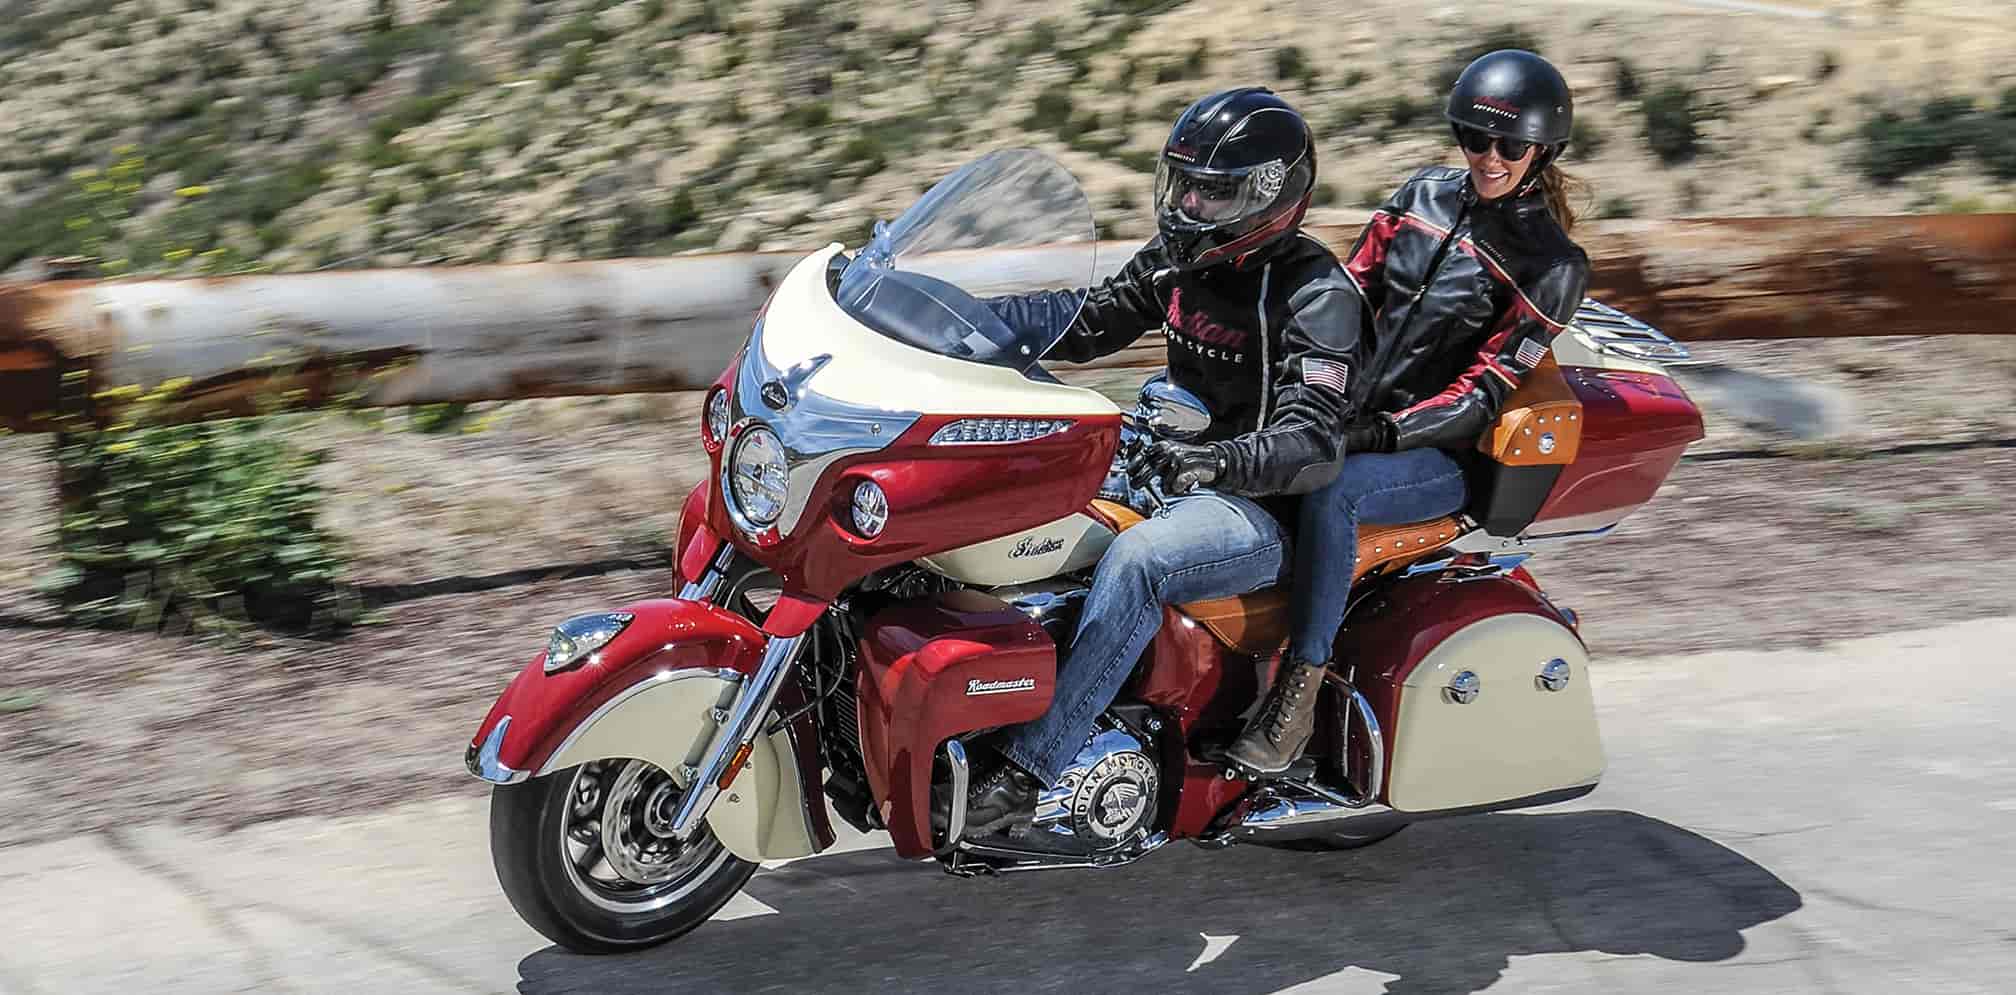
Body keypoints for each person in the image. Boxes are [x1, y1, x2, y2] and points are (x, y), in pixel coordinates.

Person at [937, 86, 1365, 839]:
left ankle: (1026, 772)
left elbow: (1314, 444)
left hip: (1257, 508)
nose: (1190, 204)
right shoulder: (1180, 259)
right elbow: (1087, 320)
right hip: (1164, 461)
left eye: (1213, 191)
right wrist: (957, 317)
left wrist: (1216, 461)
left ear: (1269, 196)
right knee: (1005, 485)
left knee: (1139, 561)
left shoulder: (1318, 295)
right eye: (1185, 184)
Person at [1223, 49, 1594, 774]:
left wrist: (1379, 432)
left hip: (1440, 456)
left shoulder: (1553, 266)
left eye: (1510, 146)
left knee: (1334, 488)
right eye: (1475, 139)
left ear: (1542, 151)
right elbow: (1344, 298)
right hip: (1347, 416)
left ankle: (1297, 694)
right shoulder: (1419, 196)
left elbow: (1481, 396)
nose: (1490, 158)